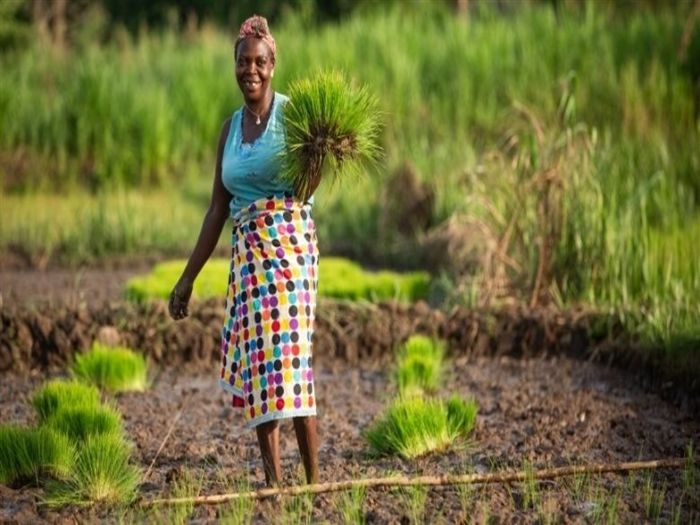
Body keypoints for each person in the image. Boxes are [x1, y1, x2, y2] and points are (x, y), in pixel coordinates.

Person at [167, 15, 319, 488]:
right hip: (249, 261)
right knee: (260, 369)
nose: (249, 69)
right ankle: (274, 484)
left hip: (289, 255)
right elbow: (217, 210)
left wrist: (318, 155)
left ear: (273, 65)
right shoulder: (230, 130)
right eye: (242, 61)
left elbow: (305, 189)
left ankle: (315, 484)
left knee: (290, 363)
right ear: (234, 65)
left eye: (259, 62)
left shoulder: (294, 118)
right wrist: (186, 279)